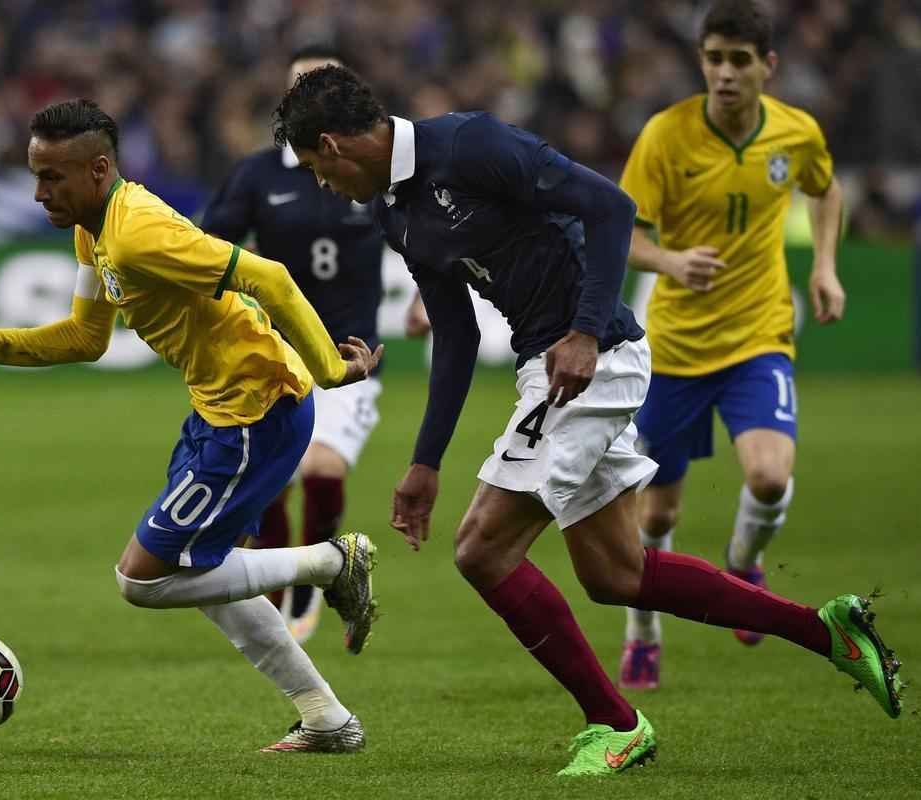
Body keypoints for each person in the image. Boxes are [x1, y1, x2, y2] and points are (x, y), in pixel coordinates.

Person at [272, 65, 902, 777]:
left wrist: (584, 329)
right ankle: (827, 632)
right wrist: (425, 461)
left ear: (332, 145)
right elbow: (453, 334)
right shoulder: (397, 214)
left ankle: (616, 723)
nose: (323, 186)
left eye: (316, 170)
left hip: (591, 358)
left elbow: (606, 207)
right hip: (552, 364)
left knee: (482, 549)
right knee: (614, 572)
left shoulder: (470, 144)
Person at [0, 99, 383, 753]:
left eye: (52, 176)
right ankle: (325, 719)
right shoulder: (94, 226)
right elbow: (86, 338)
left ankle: (329, 562)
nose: (38, 192)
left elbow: (270, 278)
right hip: (219, 409)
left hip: (256, 411)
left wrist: (331, 371)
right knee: (200, 574)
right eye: (35, 174)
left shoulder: (138, 229)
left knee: (143, 579)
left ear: (99, 168)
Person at [616, 0, 848, 690]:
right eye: (713, 58)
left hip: (756, 335)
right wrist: (670, 263)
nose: (723, 73)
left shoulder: (795, 132)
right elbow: (626, 236)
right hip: (675, 349)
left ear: (766, 67)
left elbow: (826, 191)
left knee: (770, 476)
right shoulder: (665, 136)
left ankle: (743, 560)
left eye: (738, 60)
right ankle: (643, 630)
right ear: (701, 62)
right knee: (654, 516)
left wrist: (826, 267)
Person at [200, 45, 384, 644]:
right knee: (275, 481)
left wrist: (425, 299)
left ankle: (312, 585)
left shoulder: (369, 168)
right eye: (299, 85)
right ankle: (279, 597)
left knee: (322, 469)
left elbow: (419, 235)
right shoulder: (257, 174)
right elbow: (211, 248)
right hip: (276, 359)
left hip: (351, 356)